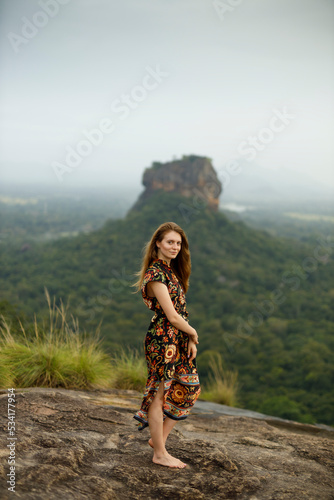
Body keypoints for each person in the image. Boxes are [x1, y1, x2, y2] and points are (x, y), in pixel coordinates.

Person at [133, 221, 201, 468]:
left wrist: (188, 339)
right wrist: (193, 333)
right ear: (158, 244)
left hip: (178, 339)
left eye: (179, 243)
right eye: (170, 242)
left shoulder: (171, 271)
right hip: (162, 339)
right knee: (159, 394)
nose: (175, 247)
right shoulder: (155, 274)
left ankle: (158, 438)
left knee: (190, 388)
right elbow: (172, 316)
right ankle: (160, 453)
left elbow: (180, 314)